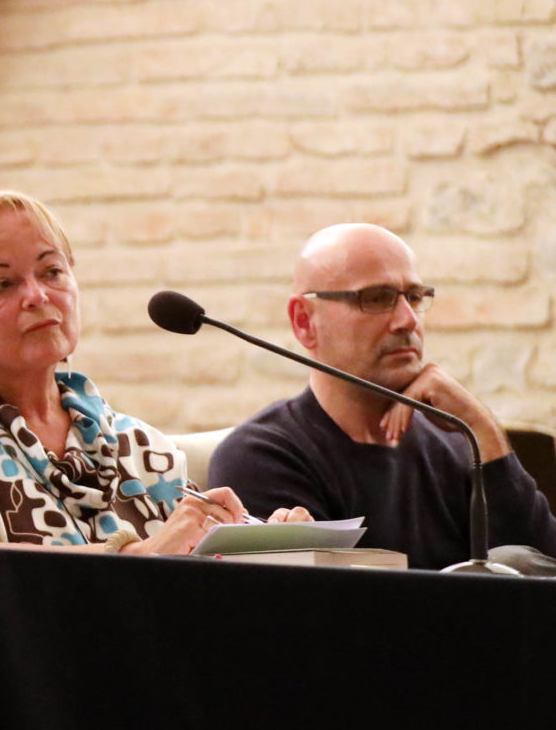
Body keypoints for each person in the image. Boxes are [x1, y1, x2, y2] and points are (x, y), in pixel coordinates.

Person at [0, 190, 306, 551]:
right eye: (3, 283)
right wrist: (132, 554)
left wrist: (270, 544)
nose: (38, 295)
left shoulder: (140, 447)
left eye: (52, 270)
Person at [208, 223, 556, 570]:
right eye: (376, 298)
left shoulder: (456, 444)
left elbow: (540, 573)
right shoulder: (263, 457)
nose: (407, 320)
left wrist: (482, 428)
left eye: (415, 297)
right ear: (304, 322)